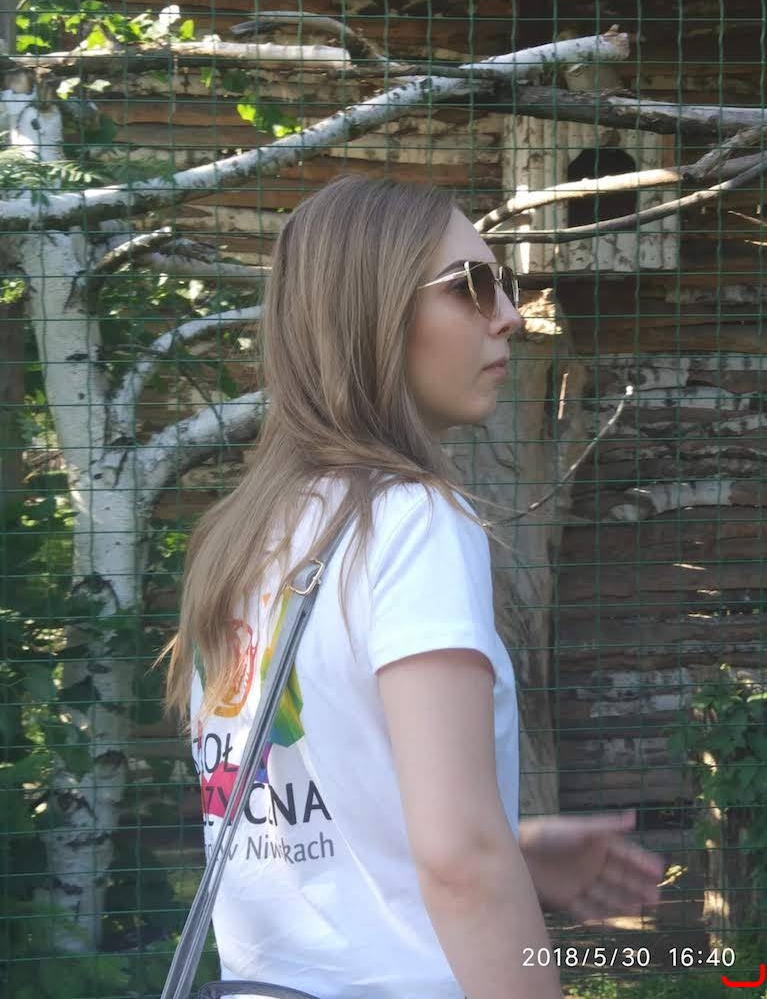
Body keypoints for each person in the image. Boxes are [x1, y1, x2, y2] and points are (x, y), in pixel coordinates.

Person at [164, 175, 664, 999]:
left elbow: (319, 807)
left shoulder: (244, 535)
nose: (508, 315)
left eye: (501, 283)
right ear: (372, 312)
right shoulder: (409, 520)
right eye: (469, 286)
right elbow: (458, 860)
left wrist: (514, 846)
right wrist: (486, 851)